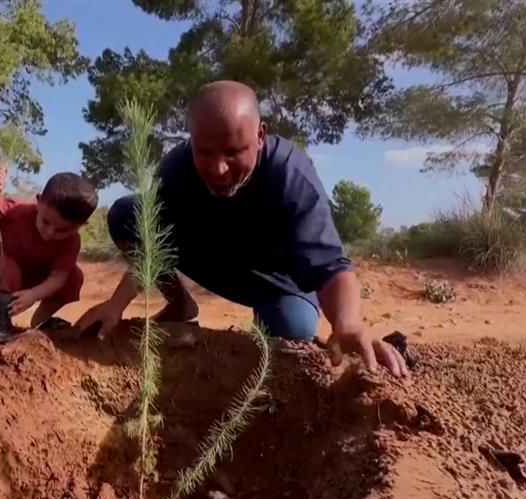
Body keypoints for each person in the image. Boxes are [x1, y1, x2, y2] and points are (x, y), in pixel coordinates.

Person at [75, 80, 408, 376]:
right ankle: (180, 306)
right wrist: (115, 305)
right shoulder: (176, 169)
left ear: (260, 135)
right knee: (127, 214)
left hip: (276, 280)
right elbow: (151, 238)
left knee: (291, 332)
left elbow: (332, 268)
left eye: (234, 152)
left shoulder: (289, 173)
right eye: (205, 152)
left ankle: (280, 324)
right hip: (213, 258)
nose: (218, 168)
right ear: (191, 140)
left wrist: (347, 325)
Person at [0, 166, 99, 327]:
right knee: (4, 268)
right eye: (46, 222)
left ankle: (40, 322)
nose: (50, 233)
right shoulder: (17, 210)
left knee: (74, 277)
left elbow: (58, 278)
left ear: (80, 225)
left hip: (34, 281)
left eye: (63, 230)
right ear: (39, 201)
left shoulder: (71, 242)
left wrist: (34, 295)